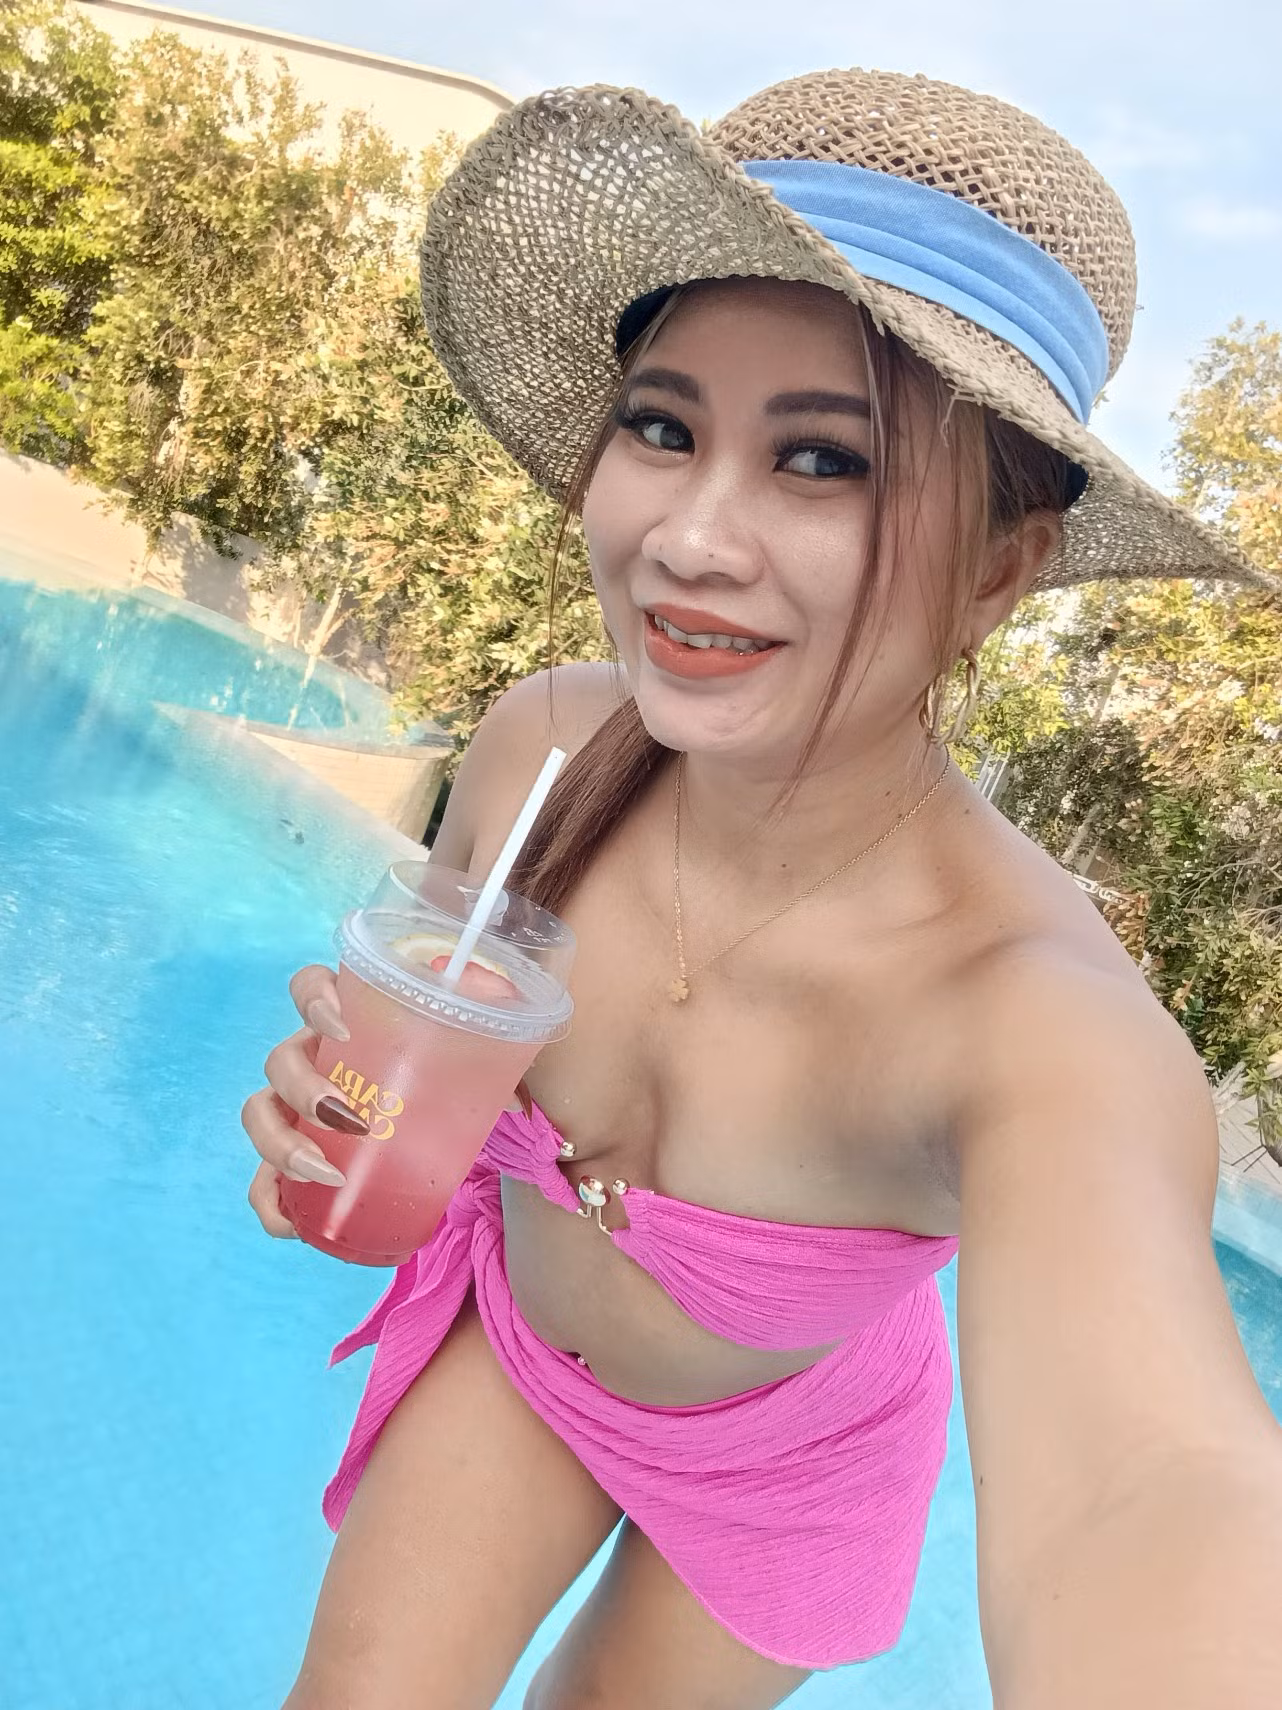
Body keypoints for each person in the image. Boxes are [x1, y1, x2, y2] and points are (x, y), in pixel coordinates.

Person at [240, 68, 1282, 1710]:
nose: (689, 538)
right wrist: (343, 1113)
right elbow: (429, 1060)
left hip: (795, 1455)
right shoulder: (538, 756)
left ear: (997, 567)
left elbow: (1148, 1484)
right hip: (526, 1348)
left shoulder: (1029, 1018)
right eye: (661, 427)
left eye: (822, 460)